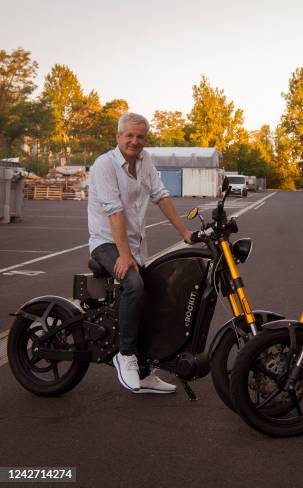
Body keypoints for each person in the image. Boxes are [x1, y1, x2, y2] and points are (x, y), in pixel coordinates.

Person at [88, 112, 192, 394]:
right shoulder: (104, 166)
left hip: (133, 246)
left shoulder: (145, 161)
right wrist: (123, 255)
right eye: (130, 136)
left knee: (157, 289)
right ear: (118, 137)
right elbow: (114, 213)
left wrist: (184, 233)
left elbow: (161, 195)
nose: (135, 141)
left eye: (140, 136)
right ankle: (126, 355)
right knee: (134, 285)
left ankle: (146, 371)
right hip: (106, 243)